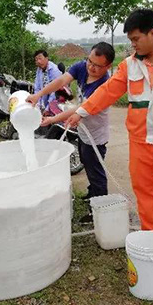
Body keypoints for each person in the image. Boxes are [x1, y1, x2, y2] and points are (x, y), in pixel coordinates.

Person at [66, 9, 153, 268]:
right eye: (130, 40)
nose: (132, 44)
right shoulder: (129, 65)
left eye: (135, 39)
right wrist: (81, 112)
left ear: (152, 33)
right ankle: (152, 238)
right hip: (140, 141)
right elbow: (107, 92)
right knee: (144, 192)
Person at [27, 43, 115, 200]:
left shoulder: (104, 86)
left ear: (108, 66)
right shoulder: (82, 67)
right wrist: (37, 95)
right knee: (86, 163)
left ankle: (100, 204)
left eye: (97, 66)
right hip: (82, 130)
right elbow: (61, 81)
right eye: (90, 61)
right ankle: (92, 194)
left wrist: (53, 119)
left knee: (96, 172)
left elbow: (80, 109)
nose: (91, 67)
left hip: (95, 135)